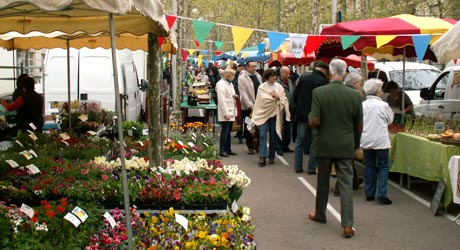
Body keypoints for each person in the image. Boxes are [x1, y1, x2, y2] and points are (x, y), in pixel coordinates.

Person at [308, 59, 363, 239]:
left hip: (325, 143)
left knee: (322, 181)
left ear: (330, 72)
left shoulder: (319, 92)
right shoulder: (355, 95)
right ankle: (347, 225)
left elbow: (314, 120)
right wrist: (356, 144)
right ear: (345, 72)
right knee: (346, 184)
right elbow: (359, 124)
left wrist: (312, 120)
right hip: (346, 144)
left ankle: (320, 214)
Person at [361, 78, 394, 205]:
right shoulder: (383, 105)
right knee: (383, 166)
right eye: (380, 89)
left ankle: (369, 193)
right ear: (378, 91)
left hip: (367, 138)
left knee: (369, 165)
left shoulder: (362, 105)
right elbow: (390, 120)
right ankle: (381, 194)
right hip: (381, 139)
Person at [293, 61, 329, 174]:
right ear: (324, 70)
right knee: (314, 142)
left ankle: (297, 166)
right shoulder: (324, 81)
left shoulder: (303, 78)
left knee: (299, 142)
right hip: (315, 115)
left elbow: (295, 95)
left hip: (302, 114)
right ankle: (311, 168)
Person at [334, 72, 365, 196]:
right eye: (361, 83)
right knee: (346, 161)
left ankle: (355, 180)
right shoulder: (356, 95)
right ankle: (339, 187)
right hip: (349, 131)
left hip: (338, 130)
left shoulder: (339, 92)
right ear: (357, 84)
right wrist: (358, 142)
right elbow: (358, 119)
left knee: (347, 160)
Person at [252, 68, 290, 167]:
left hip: (274, 114)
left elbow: (283, 98)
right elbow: (262, 99)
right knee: (263, 135)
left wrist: (277, 96)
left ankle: (272, 156)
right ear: (267, 77)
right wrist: (273, 97)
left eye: (275, 75)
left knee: (273, 135)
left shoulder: (279, 87)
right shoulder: (261, 87)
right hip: (263, 114)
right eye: (272, 76)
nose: (274, 77)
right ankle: (262, 157)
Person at [238, 61, 263, 155]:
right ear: (247, 67)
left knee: (259, 127)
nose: (254, 68)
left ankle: (257, 145)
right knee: (249, 127)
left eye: (255, 66)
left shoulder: (258, 76)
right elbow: (243, 93)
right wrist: (250, 105)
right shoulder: (242, 78)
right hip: (248, 107)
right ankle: (250, 146)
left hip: (258, 105)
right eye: (252, 67)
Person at [216, 68, 238, 157]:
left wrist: (234, 95)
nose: (234, 77)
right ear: (228, 75)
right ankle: (222, 150)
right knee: (225, 132)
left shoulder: (229, 83)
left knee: (228, 131)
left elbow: (229, 94)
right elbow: (222, 100)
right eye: (233, 75)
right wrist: (225, 113)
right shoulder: (220, 84)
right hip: (226, 111)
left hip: (231, 110)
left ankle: (228, 149)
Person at [275, 66, 295, 156]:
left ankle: (285, 145)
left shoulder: (290, 82)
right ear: (281, 73)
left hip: (290, 108)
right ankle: (279, 147)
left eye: (289, 73)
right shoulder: (277, 83)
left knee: (288, 128)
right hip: (280, 108)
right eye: (286, 73)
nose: (288, 75)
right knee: (280, 127)